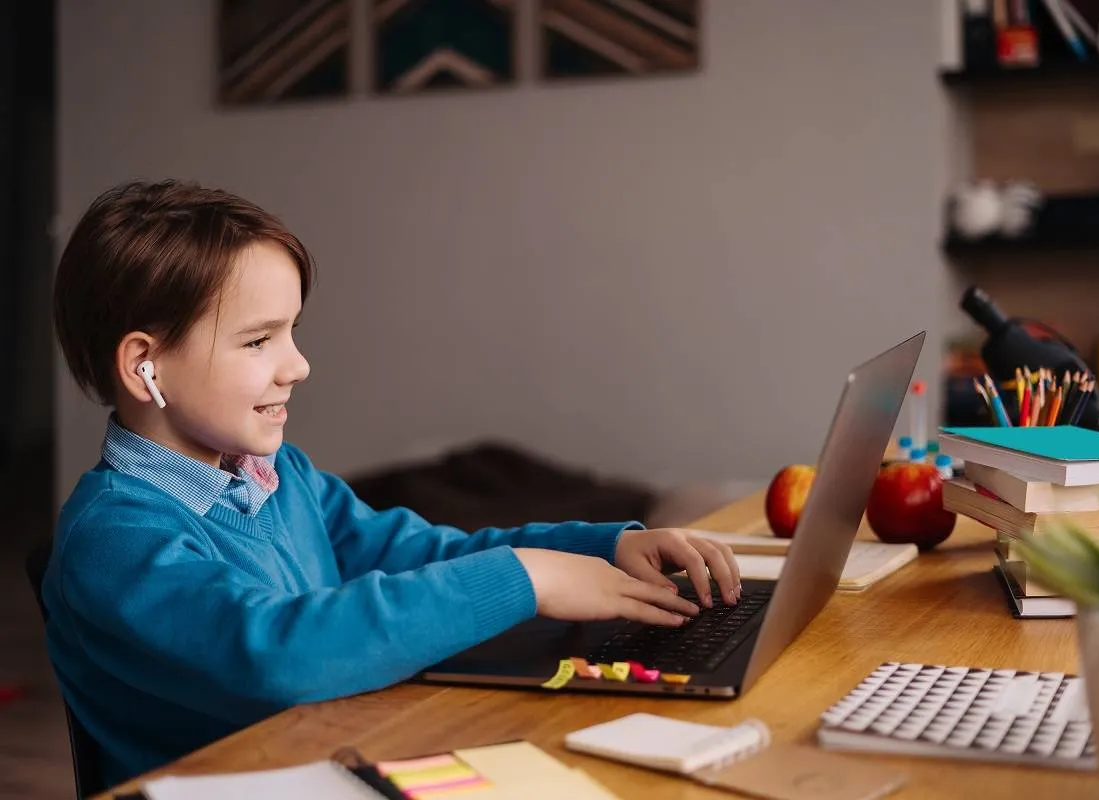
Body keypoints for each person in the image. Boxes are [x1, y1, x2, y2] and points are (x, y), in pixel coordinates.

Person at [41, 180, 741, 788]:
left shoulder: (281, 479)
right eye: (258, 340)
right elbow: (276, 654)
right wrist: (527, 577)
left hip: (345, 760)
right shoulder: (113, 540)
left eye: (292, 332)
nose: (298, 366)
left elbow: (416, 553)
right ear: (145, 367)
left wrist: (598, 548)